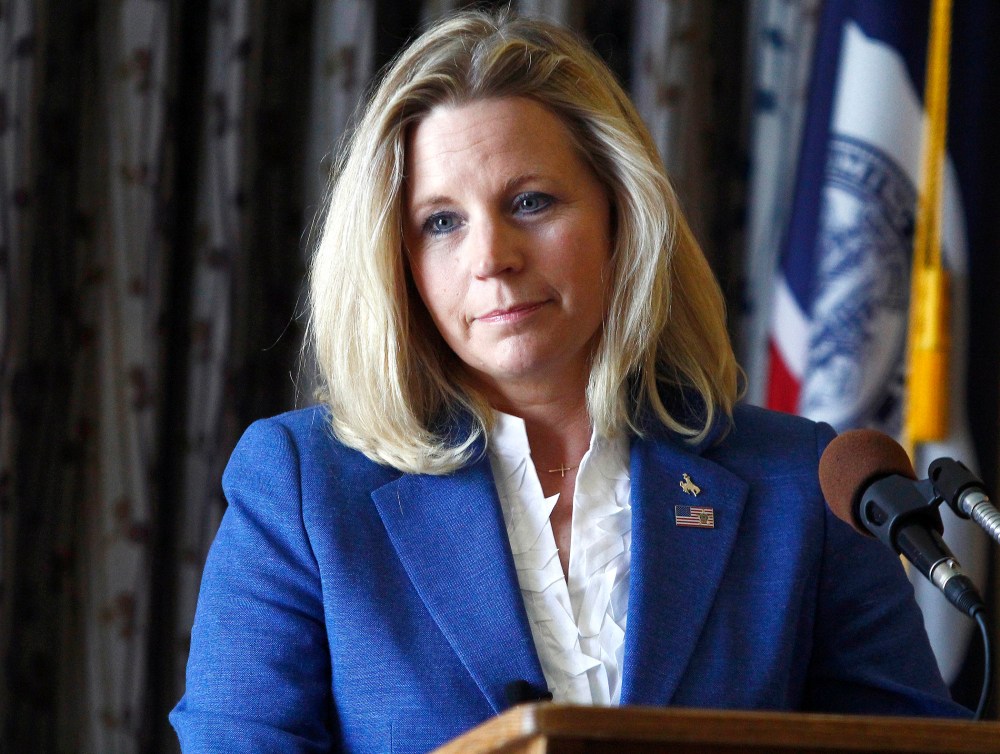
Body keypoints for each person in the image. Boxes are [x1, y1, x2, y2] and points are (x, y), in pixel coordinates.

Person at [170, 9, 969, 753]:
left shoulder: (807, 484)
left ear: (622, 218)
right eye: (441, 222)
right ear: (397, 260)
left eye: (531, 201)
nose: (492, 258)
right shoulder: (303, 488)